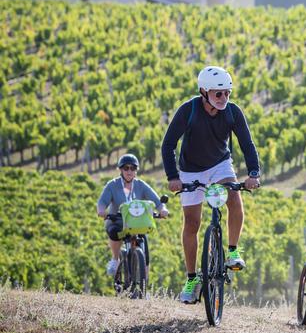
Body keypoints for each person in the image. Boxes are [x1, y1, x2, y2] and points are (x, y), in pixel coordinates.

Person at [161, 66, 261, 305]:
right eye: (218, 93)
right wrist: (173, 177)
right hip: (190, 170)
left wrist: (253, 174)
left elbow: (247, 144)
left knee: (234, 198)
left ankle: (233, 251)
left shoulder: (233, 112)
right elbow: (168, 145)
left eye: (227, 93)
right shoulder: (188, 110)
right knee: (192, 223)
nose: (224, 98)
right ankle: (192, 279)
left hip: (220, 164)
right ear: (203, 92)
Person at [97, 154, 168, 276]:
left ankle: (144, 281)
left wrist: (163, 209)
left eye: (133, 168)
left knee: (145, 250)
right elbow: (102, 202)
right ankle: (115, 259)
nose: (129, 171)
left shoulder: (141, 185)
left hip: (137, 223)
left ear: (136, 170)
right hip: (118, 221)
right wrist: (102, 211)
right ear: (120, 170)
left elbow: (157, 201)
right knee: (114, 232)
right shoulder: (112, 185)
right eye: (126, 168)